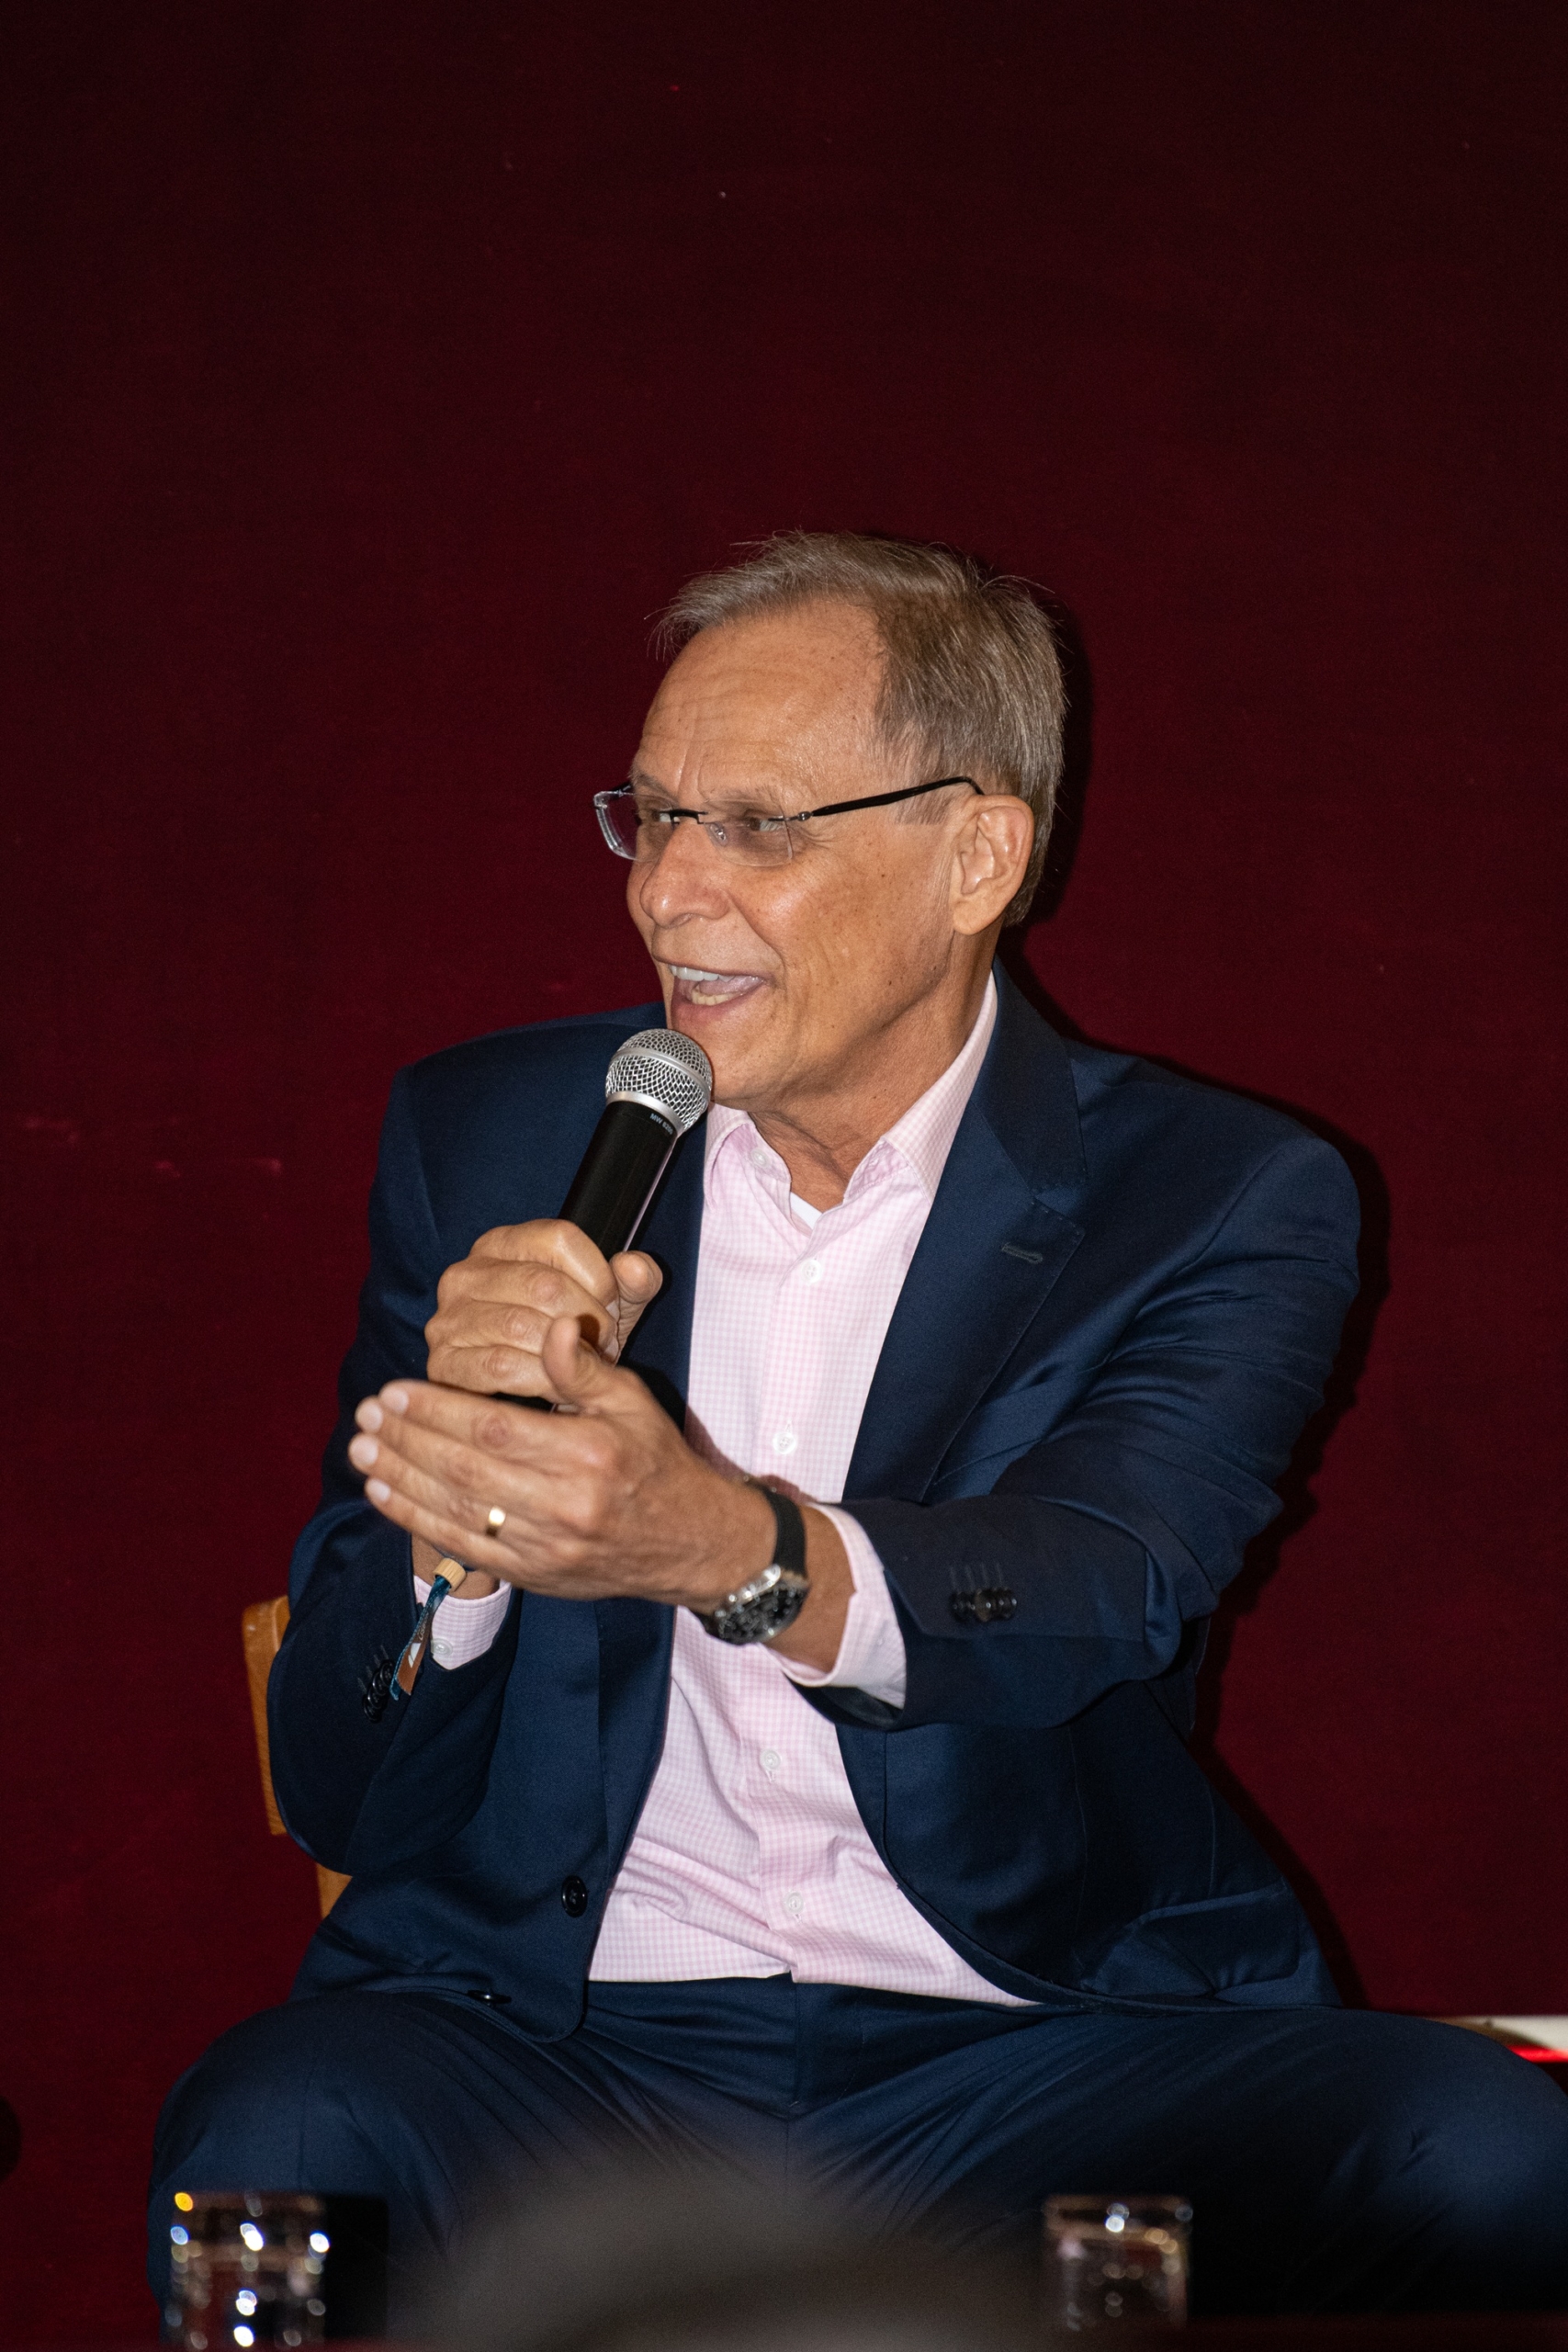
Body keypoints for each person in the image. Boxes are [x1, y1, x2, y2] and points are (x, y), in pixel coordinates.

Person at [152, 532, 1568, 2322]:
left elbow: (1098, 1582)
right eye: (649, 816)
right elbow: (346, 1763)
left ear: (975, 850)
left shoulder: (1210, 1189)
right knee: (274, 2128)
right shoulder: (492, 1132)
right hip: (552, 2039)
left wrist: (727, 1549)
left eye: (755, 825)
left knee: (1483, 2146)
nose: (670, 894)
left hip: (1026, 2043)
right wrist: (462, 1517)